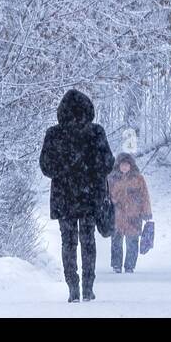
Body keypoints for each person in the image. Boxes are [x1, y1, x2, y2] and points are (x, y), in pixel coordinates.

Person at [39, 89, 114, 302]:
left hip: (65, 198)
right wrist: (89, 168)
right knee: (88, 240)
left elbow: (46, 167)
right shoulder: (96, 132)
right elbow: (108, 164)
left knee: (68, 242)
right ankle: (88, 287)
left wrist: (66, 168)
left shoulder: (54, 134)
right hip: (90, 197)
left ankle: (73, 286)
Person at [108, 152, 152, 274]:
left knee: (132, 241)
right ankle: (116, 265)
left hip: (134, 215)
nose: (125, 167)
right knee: (116, 241)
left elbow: (145, 196)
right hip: (117, 216)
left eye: (127, 165)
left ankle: (130, 266)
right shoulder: (111, 179)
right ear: (118, 165)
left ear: (131, 165)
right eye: (122, 164)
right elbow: (106, 196)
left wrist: (146, 212)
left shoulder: (138, 179)